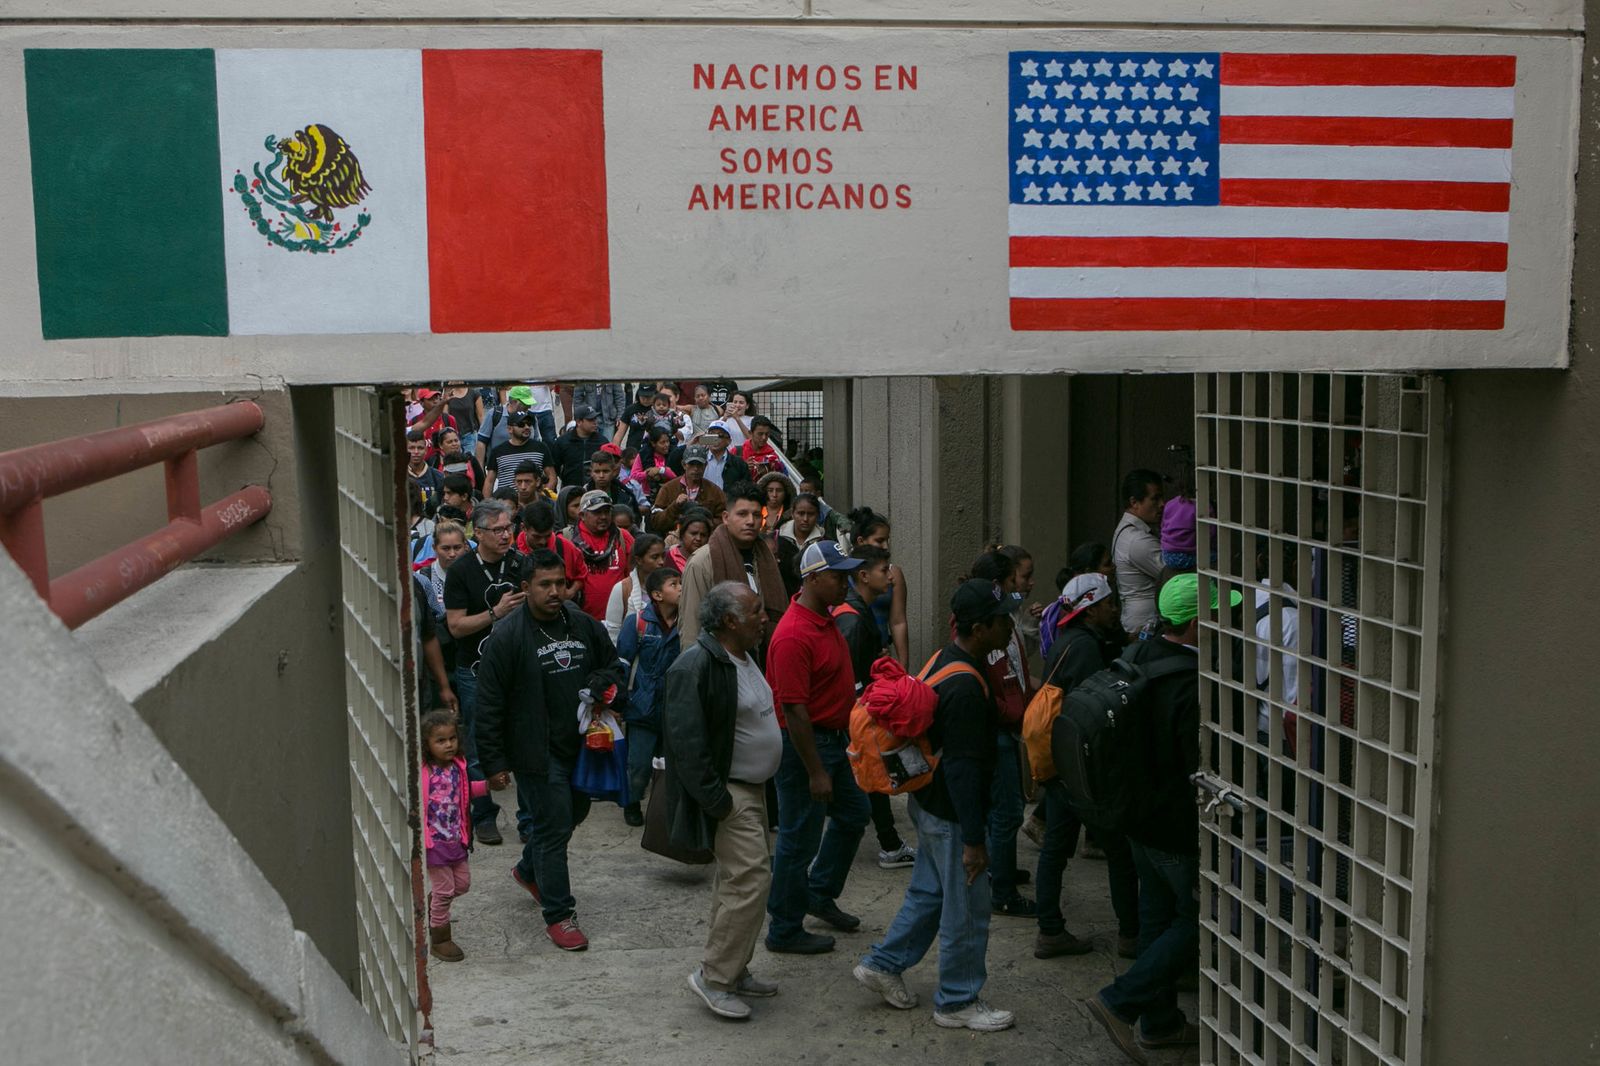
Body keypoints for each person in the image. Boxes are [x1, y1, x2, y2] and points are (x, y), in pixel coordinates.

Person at [852, 579, 1017, 1033]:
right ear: (979, 628)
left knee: (930, 893)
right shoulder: (966, 687)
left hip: (928, 803)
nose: (1010, 627)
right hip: (951, 813)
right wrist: (974, 841)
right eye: (1003, 621)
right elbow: (964, 770)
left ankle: (883, 965)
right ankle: (958, 1000)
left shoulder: (946, 659)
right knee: (966, 908)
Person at [1086, 572, 1228, 1062]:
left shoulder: (1141, 656)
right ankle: (1120, 1001)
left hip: (1135, 816)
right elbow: (1198, 765)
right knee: (1200, 920)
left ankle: (1161, 1023)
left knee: (1156, 917)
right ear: (1193, 625)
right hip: (1171, 824)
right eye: (1217, 614)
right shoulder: (1192, 684)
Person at [475, 549, 624, 953]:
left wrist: (602, 682)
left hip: (581, 746)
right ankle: (559, 914)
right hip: (534, 752)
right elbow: (488, 705)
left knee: (574, 813)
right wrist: (494, 763)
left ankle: (528, 870)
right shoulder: (507, 637)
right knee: (555, 826)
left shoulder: (580, 623)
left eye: (560, 583)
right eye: (546, 585)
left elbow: (614, 664)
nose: (556, 591)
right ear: (526, 589)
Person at [663, 582, 782, 1019]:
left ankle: (735, 969)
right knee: (751, 882)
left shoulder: (743, 655)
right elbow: (686, 745)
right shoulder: (695, 665)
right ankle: (714, 977)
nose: (764, 617)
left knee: (736, 884)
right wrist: (720, 802)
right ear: (730, 621)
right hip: (732, 794)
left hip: (753, 788)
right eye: (756, 612)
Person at [763, 541, 869, 955]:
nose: (846, 582)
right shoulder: (792, 633)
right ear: (812, 579)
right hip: (806, 747)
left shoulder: (825, 619)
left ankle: (818, 893)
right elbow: (794, 710)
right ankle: (784, 928)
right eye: (838, 576)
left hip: (835, 742)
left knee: (853, 816)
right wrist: (816, 771)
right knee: (797, 838)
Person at [1032, 572, 1123, 960]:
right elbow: (1095, 712)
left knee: (1055, 848)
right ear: (1090, 609)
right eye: (1108, 604)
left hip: (1060, 760)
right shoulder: (1085, 649)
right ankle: (1132, 934)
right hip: (1080, 768)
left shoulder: (1067, 641)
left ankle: (1050, 928)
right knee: (1119, 850)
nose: (1114, 609)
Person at [443, 500, 522, 846]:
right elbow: (456, 627)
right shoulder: (461, 571)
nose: (506, 535)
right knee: (476, 745)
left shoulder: (520, 562)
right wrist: (496, 612)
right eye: (498, 529)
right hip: (474, 671)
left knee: (523, 739)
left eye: (509, 527)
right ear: (479, 534)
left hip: (518, 671)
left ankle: (529, 818)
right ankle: (484, 815)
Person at [833, 544, 916, 870]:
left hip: (857, 714)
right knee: (866, 776)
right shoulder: (853, 621)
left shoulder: (859, 611)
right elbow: (849, 679)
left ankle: (890, 843)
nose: (891, 576)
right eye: (885, 570)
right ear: (864, 576)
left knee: (870, 777)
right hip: (853, 716)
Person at [966, 550, 1037, 919]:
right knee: (1008, 812)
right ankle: (1003, 891)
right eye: (1014, 581)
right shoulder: (984, 628)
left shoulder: (1005, 619)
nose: (1021, 588)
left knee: (1004, 810)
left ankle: (1001, 867)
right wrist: (1011, 711)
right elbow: (992, 684)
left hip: (1009, 724)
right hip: (998, 731)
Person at [680, 481, 787, 649]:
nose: (750, 521)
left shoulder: (766, 559)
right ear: (726, 517)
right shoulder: (702, 562)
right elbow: (691, 628)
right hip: (719, 661)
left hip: (762, 662)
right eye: (742, 514)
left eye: (757, 515)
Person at [421, 709, 489, 962]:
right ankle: (440, 938)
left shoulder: (457, 767)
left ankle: (434, 902)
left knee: (462, 884)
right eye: (440, 740)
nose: (448, 744)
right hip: (434, 842)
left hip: (456, 838)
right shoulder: (424, 771)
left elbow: (464, 792)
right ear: (427, 745)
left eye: (452, 738)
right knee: (446, 890)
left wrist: (486, 787)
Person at [616, 566, 682, 827]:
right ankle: (632, 803)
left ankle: (664, 809)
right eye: (673, 584)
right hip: (642, 707)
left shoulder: (688, 622)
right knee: (638, 766)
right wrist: (618, 702)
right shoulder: (638, 622)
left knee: (671, 766)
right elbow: (622, 662)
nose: (680, 588)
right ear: (656, 594)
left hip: (674, 708)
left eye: (680, 583)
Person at [842, 507, 909, 666]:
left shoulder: (893, 574)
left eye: (887, 540)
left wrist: (903, 668)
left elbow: (898, 622)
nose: (885, 546)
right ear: (861, 541)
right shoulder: (842, 573)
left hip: (881, 655)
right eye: (879, 540)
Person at [1113, 468, 1167, 637]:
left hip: (1141, 622)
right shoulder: (1136, 540)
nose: (1162, 504)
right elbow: (1173, 574)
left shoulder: (1130, 531)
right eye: (1155, 499)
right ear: (1134, 502)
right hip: (1146, 626)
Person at [571, 490, 634, 620]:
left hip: (619, 621)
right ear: (582, 515)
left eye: (607, 512)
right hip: (582, 621)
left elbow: (634, 576)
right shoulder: (568, 539)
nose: (603, 517)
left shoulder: (622, 537)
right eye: (597, 512)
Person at [514, 500, 585, 608]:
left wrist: (571, 591)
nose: (542, 542)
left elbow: (582, 574)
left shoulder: (565, 547)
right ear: (523, 528)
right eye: (536, 537)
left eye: (547, 536)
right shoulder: (512, 553)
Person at [651, 444, 726, 535]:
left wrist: (703, 521)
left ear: (705, 465)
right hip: (672, 542)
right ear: (684, 465)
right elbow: (656, 522)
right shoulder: (668, 489)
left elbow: (724, 521)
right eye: (691, 464)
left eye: (699, 465)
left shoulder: (715, 491)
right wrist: (675, 506)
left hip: (705, 542)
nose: (695, 469)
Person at [605, 533, 667, 641]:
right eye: (655, 557)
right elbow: (613, 632)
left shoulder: (669, 588)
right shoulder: (622, 589)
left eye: (663, 556)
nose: (661, 562)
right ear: (639, 560)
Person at [474, 385, 532, 470]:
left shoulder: (530, 417)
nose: (529, 407)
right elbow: (481, 442)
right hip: (499, 471)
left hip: (526, 471)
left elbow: (536, 441)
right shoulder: (495, 414)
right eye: (526, 404)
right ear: (514, 402)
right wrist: (480, 471)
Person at [548, 404, 606, 489]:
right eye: (590, 419)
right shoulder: (563, 442)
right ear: (579, 422)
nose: (595, 422)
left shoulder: (602, 441)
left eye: (595, 419)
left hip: (595, 490)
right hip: (570, 490)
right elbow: (554, 468)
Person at [628, 425, 678, 507]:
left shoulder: (673, 454)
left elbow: (676, 478)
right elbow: (633, 476)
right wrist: (647, 474)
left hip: (669, 495)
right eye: (662, 442)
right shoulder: (643, 455)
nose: (666, 445)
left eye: (667, 441)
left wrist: (661, 470)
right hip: (648, 496)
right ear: (653, 443)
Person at [584, 444, 636, 521]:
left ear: (613, 471)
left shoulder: (626, 497)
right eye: (597, 472)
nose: (601, 476)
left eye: (605, 471)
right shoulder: (582, 494)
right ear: (591, 472)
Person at [700, 421, 750, 492]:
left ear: (728, 441)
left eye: (720, 436)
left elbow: (746, 488)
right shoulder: (699, 460)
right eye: (711, 434)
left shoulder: (739, 463)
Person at [407, 429, 445, 512]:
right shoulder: (399, 477)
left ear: (426, 450)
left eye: (420, 448)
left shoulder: (438, 477)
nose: (416, 452)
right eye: (412, 448)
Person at [668, 507, 713, 572]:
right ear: (683, 534)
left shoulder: (711, 559)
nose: (698, 538)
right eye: (694, 533)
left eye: (703, 535)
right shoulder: (669, 557)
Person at [741, 415, 784, 479]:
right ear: (751, 433)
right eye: (760, 434)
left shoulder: (773, 457)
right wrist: (742, 468)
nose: (764, 438)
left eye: (767, 434)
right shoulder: (737, 452)